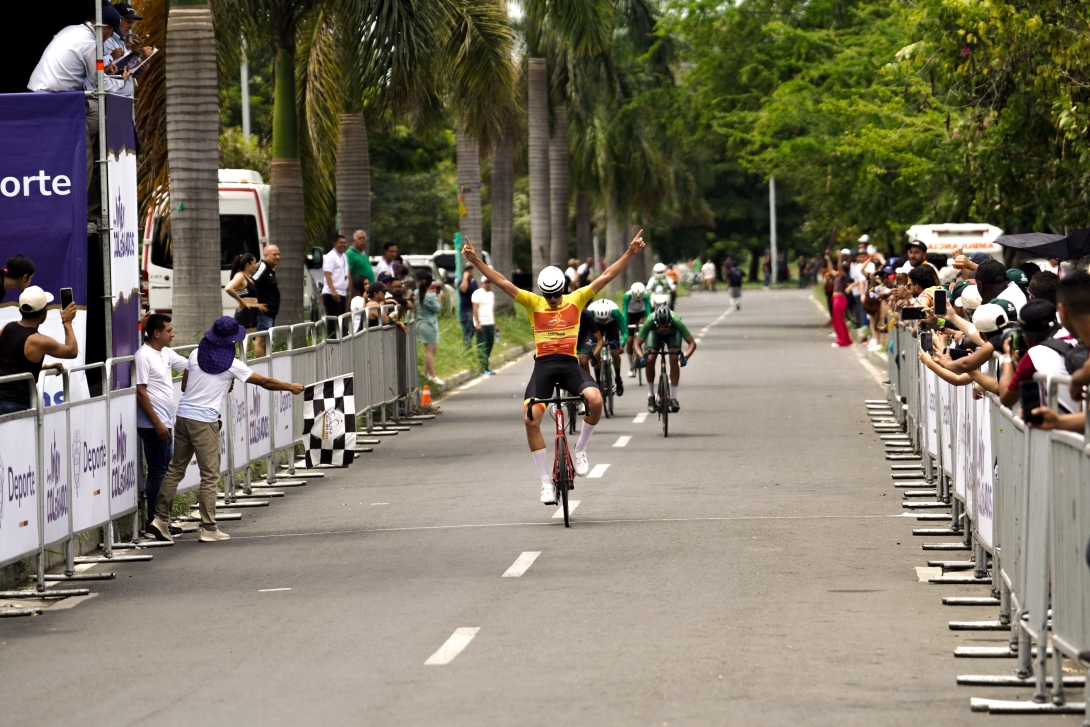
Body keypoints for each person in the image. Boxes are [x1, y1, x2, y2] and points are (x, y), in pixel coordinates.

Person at [460, 231, 645, 507]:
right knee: (530, 419)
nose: (554, 300)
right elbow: (501, 281)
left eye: (557, 294)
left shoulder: (577, 299)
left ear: (563, 289)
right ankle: (546, 482)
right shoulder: (532, 302)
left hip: (569, 366)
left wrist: (630, 252)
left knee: (595, 400)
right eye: (549, 296)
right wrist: (475, 261)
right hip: (544, 367)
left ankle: (581, 448)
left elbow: (606, 277)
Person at [147, 317, 304, 543]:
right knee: (210, 475)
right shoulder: (231, 364)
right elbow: (266, 382)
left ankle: (160, 519)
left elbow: (184, 386)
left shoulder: (194, 355)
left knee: (175, 470)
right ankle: (209, 528)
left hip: (183, 417)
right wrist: (290, 387)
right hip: (204, 422)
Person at [28, 7, 132, 198]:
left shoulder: (70, 30)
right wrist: (122, 80)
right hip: (56, 100)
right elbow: (99, 82)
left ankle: (72, 144)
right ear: (105, 28)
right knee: (84, 154)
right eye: (110, 33)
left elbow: (96, 70)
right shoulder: (91, 44)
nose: (109, 38)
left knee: (95, 112)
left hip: (43, 93)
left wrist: (105, 69)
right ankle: (77, 204)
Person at [134, 314, 187, 535]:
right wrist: (156, 422)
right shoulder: (143, 356)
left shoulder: (165, 352)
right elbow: (141, 391)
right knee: (157, 472)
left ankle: (162, 520)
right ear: (157, 333)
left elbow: (190, 365)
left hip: (167, 421)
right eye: (169, 330)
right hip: (153, 425)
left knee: (167, 471)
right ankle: (154, 522)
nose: (172, 334)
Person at [0, 287, 78, 414]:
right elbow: (72, 351)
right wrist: (67, 321)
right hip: (18, 405)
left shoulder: (6, 328)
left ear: (20, 310)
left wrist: (41, 367)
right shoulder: (38, 341)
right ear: (44, 312)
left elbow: (11, 363)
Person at [997, 299, 1078, 413]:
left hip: (1067, 427)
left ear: (1027, 337)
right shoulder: (1079, 338)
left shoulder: (1035, 355)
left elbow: (1006, 399)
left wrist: (1007, 357)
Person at [633, 305, 697, 413]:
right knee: (650, 358)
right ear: (655, 323)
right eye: (660, 326)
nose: (663, 329)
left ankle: (674, 398)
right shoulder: (649, 321)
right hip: (654, 335)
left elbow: (692, 343)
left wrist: (686, 357)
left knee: (674, 357)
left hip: (673, 334)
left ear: (671, 323)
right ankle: (651, 397)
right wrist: (641, 357)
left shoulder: (676, 321)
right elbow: (636, 344)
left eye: (666, 326)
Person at [590, 299, 626, 396]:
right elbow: (586, 331)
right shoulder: (590, 312)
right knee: (595, 352)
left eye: (604, 319)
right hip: (595, 326)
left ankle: (618, 378)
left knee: (615, 352)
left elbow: (625, 331)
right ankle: (598, 380)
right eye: (601, 319)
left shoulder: (615, 313)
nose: (603, 322)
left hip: (612, 325)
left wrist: (621, 344)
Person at [224, 253, 264, 335]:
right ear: (247, 265)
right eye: (254, 263)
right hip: (246, 315)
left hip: (252, 314)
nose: (256, 266)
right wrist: (242, 302)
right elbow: (228, 288)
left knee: (252, 344)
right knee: (246, 344)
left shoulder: (249, 278)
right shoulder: (240, 276)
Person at [251, 244, 280, 357]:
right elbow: (251, 282)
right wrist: (254, 303)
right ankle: (258, 368)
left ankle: (266, 366)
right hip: (264, 313)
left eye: (278, 254)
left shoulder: (270, 269)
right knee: (261, 341)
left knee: (267, 342)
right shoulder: (263, 267)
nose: (277, 256)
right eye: (274, 254)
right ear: (265, 255)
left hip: (271, 313)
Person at [416, 273, 442, 384]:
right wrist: (439, 298)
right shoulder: (430, 296)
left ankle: (425, 373)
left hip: (420, 323)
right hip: (429, 324)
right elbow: (437, 309)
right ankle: (433, 376)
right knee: (430, 351)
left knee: (430, 350)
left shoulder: (416, 293)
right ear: (430, 283)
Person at [322, 234, 350, 335]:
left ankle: (340, 343)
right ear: (335, 244)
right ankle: (332, 344)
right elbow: (327, 274)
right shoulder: (331, 256)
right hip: (331, 293)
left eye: (344, 243)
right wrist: (333, 290)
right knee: (333, 321)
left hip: (342, 293)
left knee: (341, 320)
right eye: (340, 243)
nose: (343, 245)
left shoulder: (344, 256)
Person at [472, 277, 497, 375]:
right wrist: (477, 323)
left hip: (490, 323)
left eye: (489, 282)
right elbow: (475, 308)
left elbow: (490, 311)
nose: (488, 284)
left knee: (490, 344)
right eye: (485, 282)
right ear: (481, 283)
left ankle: (486, 366)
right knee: (482, 346)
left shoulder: (491, 295)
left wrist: (494, 325)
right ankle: (483, 368)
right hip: (481, 324)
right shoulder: (477, 293)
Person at [622, 282, 648, 376]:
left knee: (646, 324)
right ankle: (631, 366)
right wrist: (624, 326)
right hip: (630, 314)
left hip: (641, 313)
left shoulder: (646, 295)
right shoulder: (627, 296)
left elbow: (648, 311)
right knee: (629, 340)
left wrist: (647, 323)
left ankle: (645, 348)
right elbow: (624, 313)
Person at [830, 258, 852, 347]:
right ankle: (845, 339)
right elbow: (830, 269)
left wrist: (839, 257)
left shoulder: (843, 276)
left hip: (839, 299)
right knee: (838, 320)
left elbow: (839, 268)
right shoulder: (838, 276)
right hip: (836, 299)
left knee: (838, 321)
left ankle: (841, 340)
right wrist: (828, 259)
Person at [458, 268, 478, 348]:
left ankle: (468, 347)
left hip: (473, 310)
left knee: (472, 331)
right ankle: (467, 349)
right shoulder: (461, 281)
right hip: (465, 311)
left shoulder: (474, 282)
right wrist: (465, 277)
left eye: (471, 269)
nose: (470, 271)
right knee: (467, 331)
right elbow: (463, 289)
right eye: (467, 270)